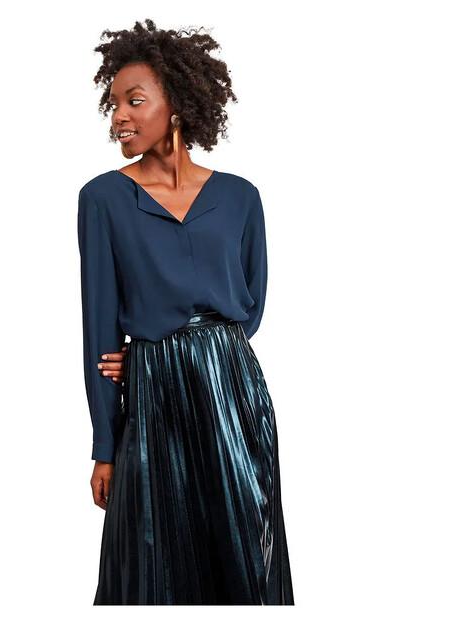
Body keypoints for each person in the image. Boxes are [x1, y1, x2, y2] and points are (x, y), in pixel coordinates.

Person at [77, 19, 294, 605]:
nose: (118, 117)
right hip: (153, 396)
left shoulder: (241, 197)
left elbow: (250, 305)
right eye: (114, 104)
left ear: (175, 104)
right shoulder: (102, 199)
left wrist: (202, 349)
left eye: (135, 101)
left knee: (244, 548)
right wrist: (105, 443)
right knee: (151, 556)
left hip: (233, 394)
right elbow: (99, 329)